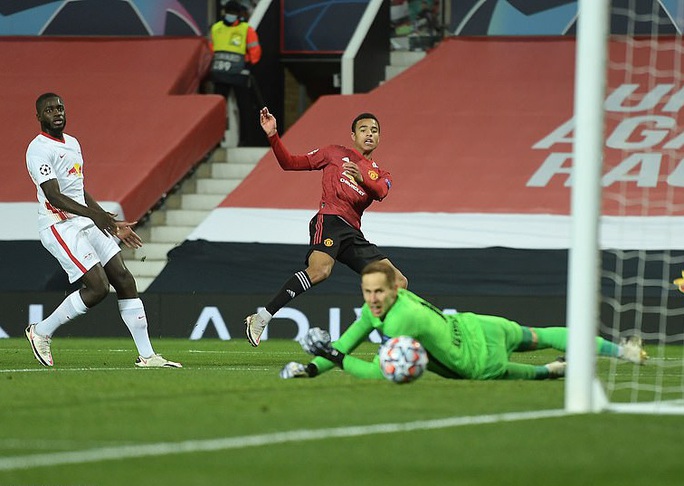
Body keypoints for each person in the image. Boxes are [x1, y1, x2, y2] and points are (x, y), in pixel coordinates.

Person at [280, 261, 648, 380]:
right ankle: (623, 351)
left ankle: (555, 370)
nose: (372, 299)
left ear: (394, 290)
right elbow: (349, 338)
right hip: (477, 325)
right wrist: (313, 368)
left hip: (473, 360)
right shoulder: (388, 303)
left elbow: (380, 373)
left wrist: (334, 357)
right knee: (540, 335)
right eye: (367, 292)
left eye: (379, 292)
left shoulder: (399, 322)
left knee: (538, 370)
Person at [24, 92, 181, 368]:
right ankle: (41, 331)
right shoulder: (38, 149)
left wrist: (108, 220)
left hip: (84, 220)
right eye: (49, 110)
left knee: (124, 279)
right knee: (97, 287)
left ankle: (147, 356)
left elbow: (78, 189)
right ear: (39, 117)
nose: (57, 113)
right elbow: (54, 196)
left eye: (60, 108)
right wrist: (98, 217)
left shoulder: (72, 143)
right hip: (60, 225)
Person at [244, 108, 409, 347]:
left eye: (374, 131)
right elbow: (289, 163)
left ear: (379, 137)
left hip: (353, 233)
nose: (369, 134)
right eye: (363, 130)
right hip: (330, 220)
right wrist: (273, 135)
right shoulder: (333, 153)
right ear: (353, 135)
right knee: (320, 271)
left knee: (398, 281)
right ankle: (260, 319)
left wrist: (363, 179)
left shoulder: (380, 174)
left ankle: (390, 340)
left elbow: (381, 191)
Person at [209, 0, 263, 147]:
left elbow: (255, 50)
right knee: (217, 109)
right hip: (220, 75)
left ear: (238, 14)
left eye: (233, 13)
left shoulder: (246, 29)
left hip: (239, 74)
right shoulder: (216, 28)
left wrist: (249, 62)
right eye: (229, 12)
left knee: (244, 107)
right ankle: (215, 141)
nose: (230, 15)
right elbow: (211, 49)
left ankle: (245, 140)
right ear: (224, 13)